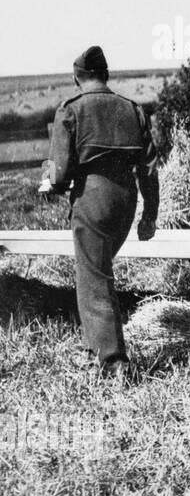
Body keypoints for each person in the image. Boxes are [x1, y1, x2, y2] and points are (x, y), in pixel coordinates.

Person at [40, 46, 158, 377]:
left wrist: (52, 184)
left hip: (93, 199)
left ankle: (113, 362)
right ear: (105, 74)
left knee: (93, 279)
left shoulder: (71, 109)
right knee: (102, 271)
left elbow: (60, 173)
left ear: (78, 77)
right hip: (126, 201)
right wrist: (150, 214)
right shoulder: (133, 110)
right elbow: (149, 169)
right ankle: (98, 348)